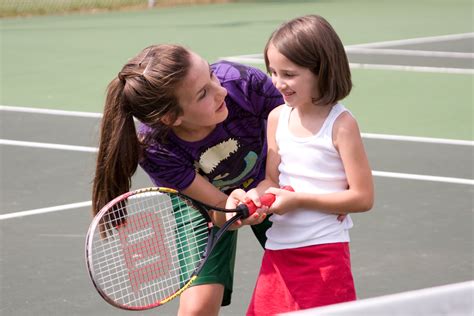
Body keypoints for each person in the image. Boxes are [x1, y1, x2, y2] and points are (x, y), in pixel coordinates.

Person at [91, 43, 284, 316]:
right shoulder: (155, 147)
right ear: (171, 117)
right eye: (203, 93)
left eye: (211, 75)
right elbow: (216, 205)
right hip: (206, 199)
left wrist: (272, 184)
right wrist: (231, 212)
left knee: (304, 278)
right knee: (198, 308)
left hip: (272, 173)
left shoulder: (243, 83)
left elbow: (300, 131)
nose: (222, 91)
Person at [231, 15, 374, 315]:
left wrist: (299, 200)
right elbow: (270, 179)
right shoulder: (276, 118)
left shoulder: (342, 125)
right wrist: (257, 197)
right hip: (278, 250)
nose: (278, 83)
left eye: (289, 74)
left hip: (324, 254)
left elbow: (363, 197)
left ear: (321, 71)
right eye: (272, 71)